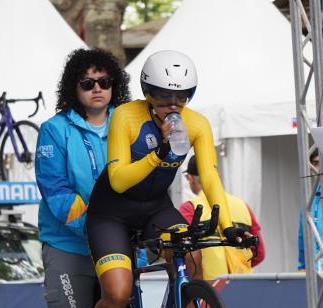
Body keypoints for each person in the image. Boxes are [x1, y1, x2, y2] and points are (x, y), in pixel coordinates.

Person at [87, 50, 250, 308]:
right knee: (118, 294)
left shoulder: (197, 124)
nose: (173, 104)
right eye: (163, 95)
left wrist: (227, 226)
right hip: (111, 212)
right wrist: (159, 153)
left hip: (155, 208)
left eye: (182, 96)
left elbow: (208, 175)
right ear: (147, 92)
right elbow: (118, 180)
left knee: (192, 256)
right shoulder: (125, 115)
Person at [35, 48, 130, 308]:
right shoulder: (54, 129)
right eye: (87, 83)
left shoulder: (130, 124)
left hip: (121, 245)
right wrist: (101, 229)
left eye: (104, 82)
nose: (97, 88)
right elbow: (56, 191)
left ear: (114, 85)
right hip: (68, 246)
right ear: (73, 88)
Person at [179, 155, 265, 280]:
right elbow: (259, 252)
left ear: (191, 178)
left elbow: (183, 252)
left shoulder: (189, 208)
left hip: (209, 289)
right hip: (243, 284)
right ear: (217, 176)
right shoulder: (242, 206)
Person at [297, 149, 323, 273]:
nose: (319, 169)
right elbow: (302, 236)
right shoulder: (309, 201)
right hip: (315, 270)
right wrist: (302, 266)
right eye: (316, 163)